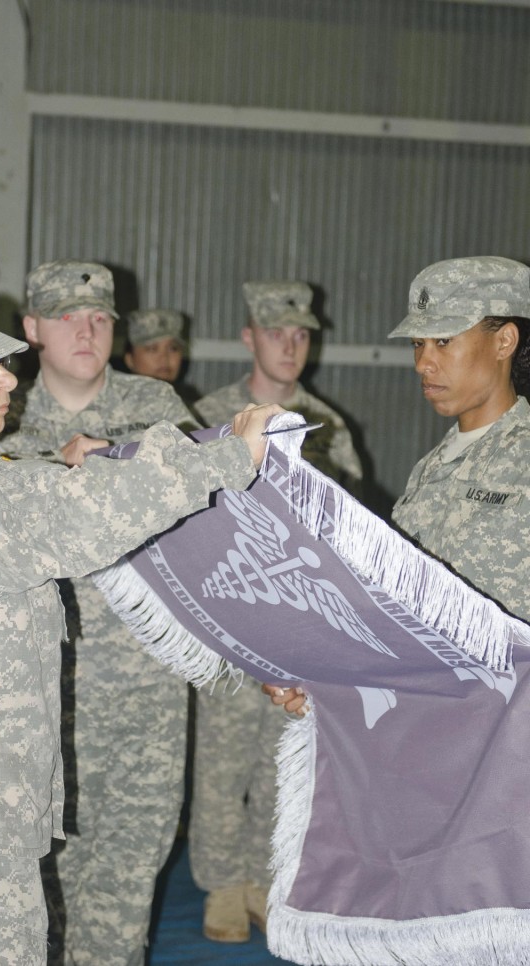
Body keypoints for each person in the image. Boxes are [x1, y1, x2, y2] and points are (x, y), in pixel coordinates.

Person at [0, 283, 282, 966]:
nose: (6, 377)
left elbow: (16, 505)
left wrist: (58, 466)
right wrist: (233, 456)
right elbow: (88, 513)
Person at [0, 260, 197, 966]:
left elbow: (210, 519)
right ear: (31, 329)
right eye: (67, 317)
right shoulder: (0, 414)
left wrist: (122, 463)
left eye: (102, 318)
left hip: (146, 697)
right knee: (29, 897)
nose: (87, 330)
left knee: (125, 885)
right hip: (35, 694)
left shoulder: (161, 409)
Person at [189, 280, 363, 943]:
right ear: (248, 337)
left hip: (297, 621)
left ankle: (264, 882)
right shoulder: (209, 413)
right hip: (226, 614)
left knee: (278, 756)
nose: (292, 344)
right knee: (220, 760)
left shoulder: (329, 423)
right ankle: (220, 887)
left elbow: (351, 522)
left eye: (302, 334)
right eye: (277, 332)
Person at [388, 255, 530, 624]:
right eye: (418, 343)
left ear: (504, 342)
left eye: (444, 340)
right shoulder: (430, 468)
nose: (422, 363)